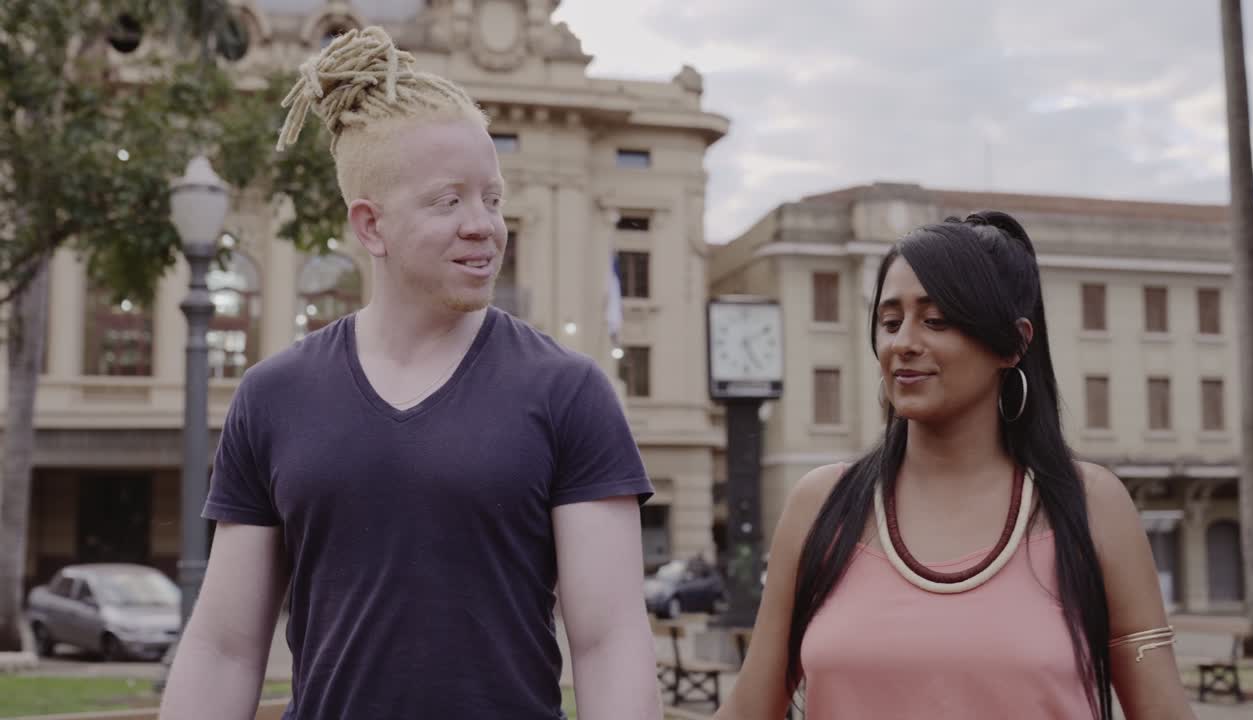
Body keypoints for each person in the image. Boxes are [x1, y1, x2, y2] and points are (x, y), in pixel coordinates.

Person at [159, 27, 660, 720]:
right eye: (448, 201)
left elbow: (610, 643)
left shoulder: (568, 392)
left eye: (492, 197)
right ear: (371, 227)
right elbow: (224, 647)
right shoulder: (272, 398)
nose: (483, 224)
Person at [714, 211, 1194, 719]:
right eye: (890, 321)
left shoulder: (1090, 504)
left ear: (1013, 343)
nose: (903, 344)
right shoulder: (821, 504)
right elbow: (750, 710)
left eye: (936, 320)